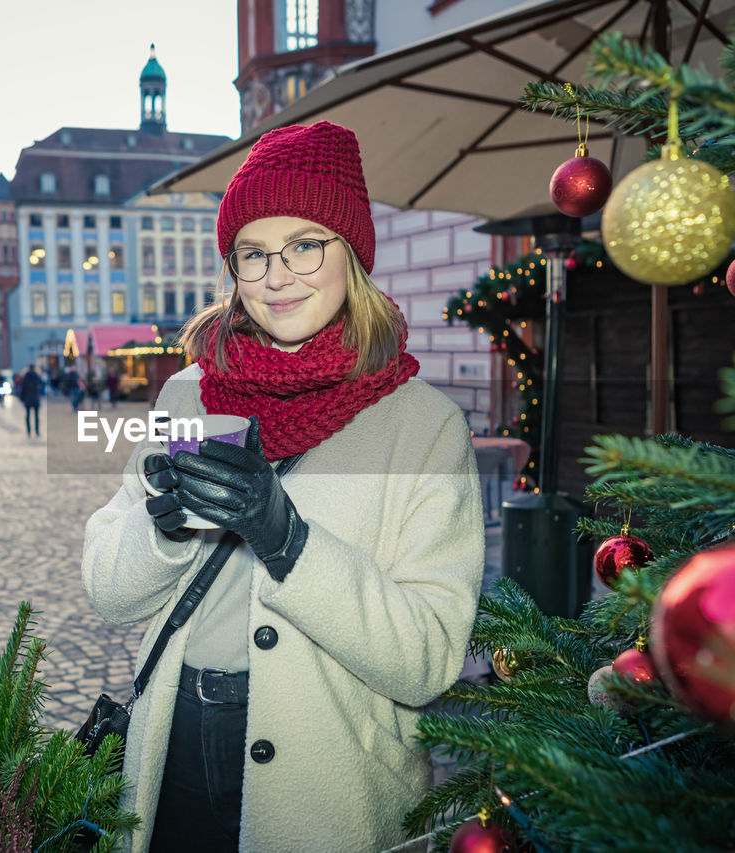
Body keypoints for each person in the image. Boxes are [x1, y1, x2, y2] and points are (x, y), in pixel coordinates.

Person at [81, 121, 484, 853]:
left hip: (330, 771)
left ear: (352, 253)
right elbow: (110, 590)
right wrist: (164, 531)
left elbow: (427, 659)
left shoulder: (423, 425)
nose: (276, 273)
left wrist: (288, 539)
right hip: (173, 744)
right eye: (253, 253)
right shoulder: (187, 396)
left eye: (305, 244)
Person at [17, 364, 42, 437]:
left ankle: (29, 431)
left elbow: (23, 389)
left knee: (28, 415)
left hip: (27, 399)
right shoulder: (37, 377)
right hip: (35, 399)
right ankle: (37, 431)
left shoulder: (25, 377)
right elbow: (41, 387)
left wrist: (22, 398)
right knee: (36, 416)